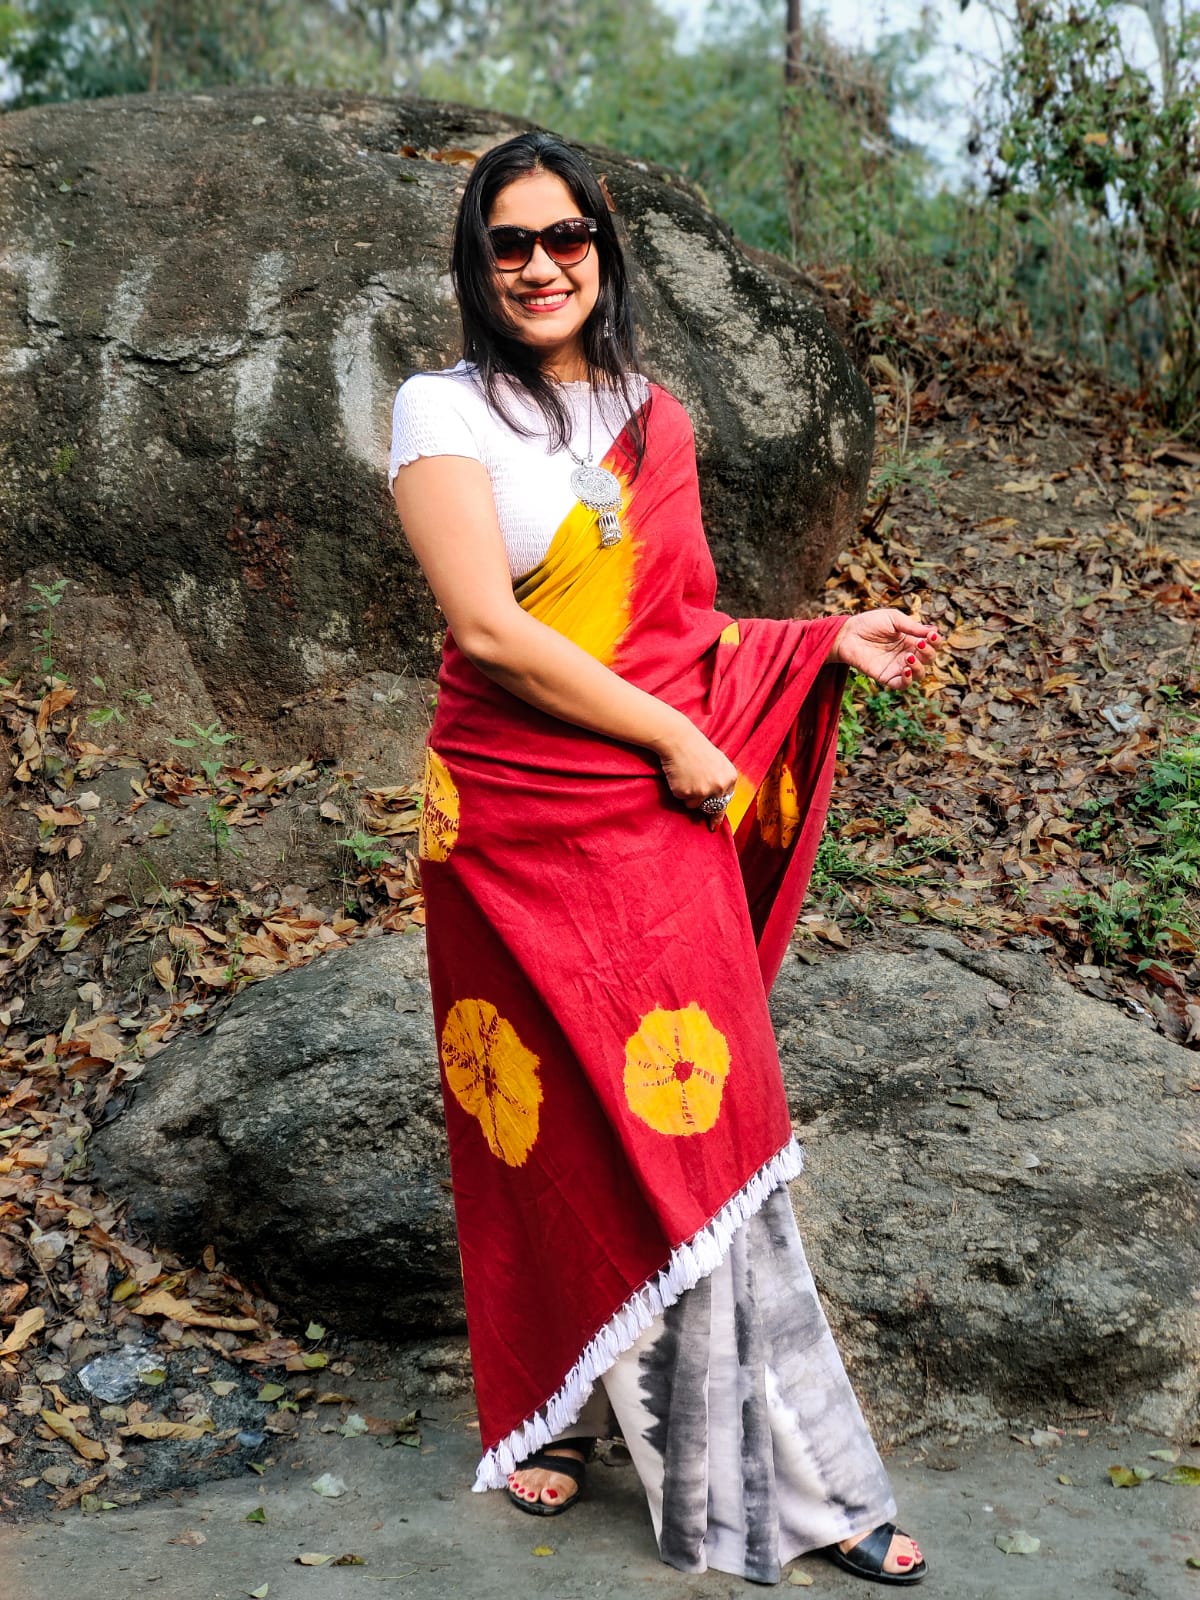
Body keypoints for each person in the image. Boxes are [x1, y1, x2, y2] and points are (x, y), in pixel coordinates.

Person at [388, 129, 936, 1587]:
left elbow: (679, 636)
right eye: (510, 244)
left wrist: (821, 643)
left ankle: (808, 1480)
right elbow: (493, 635)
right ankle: (560, 1406)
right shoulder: (439, 412)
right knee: (554, 1138)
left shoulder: (653, 417)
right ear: (477, 266)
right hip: (510, 823)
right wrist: (683, 745)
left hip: (647, 819)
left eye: (566, 237)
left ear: (604, 254)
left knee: (709, 1129)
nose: (542, 265)